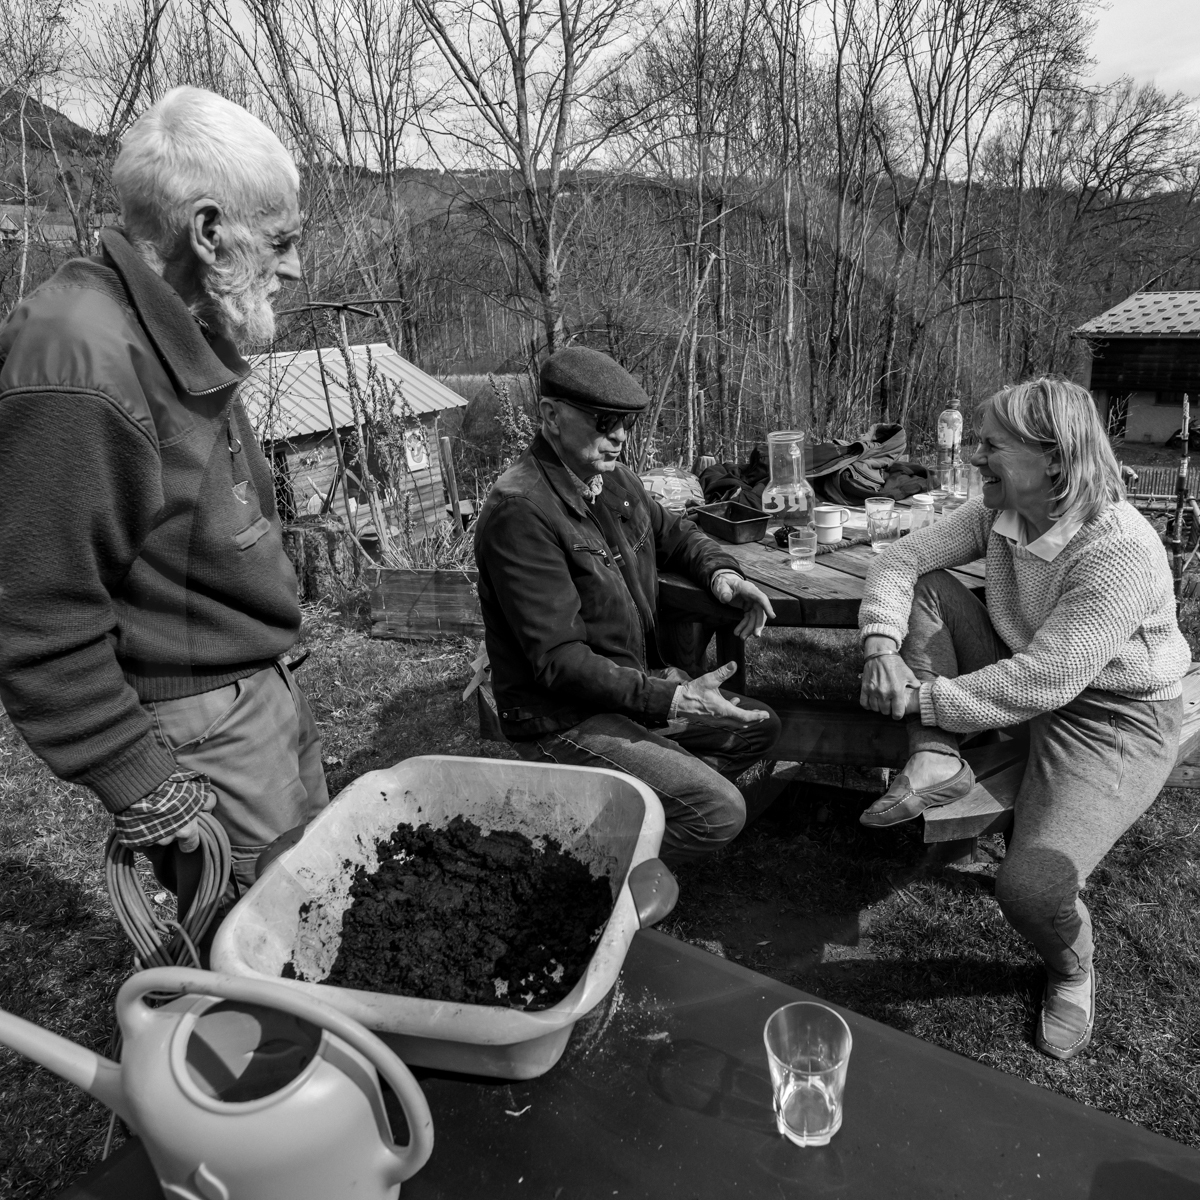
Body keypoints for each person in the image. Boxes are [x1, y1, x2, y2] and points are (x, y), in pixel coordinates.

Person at [0, 87, 327, 916]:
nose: (293, 268)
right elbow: (34, 611)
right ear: (209, 231)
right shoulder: (78, 355)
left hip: (258, 685)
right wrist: (134, 773)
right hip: (202, 720)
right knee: (266, 935)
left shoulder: (184, 318)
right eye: (281, 241)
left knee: (319, 900)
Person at [857, 377, 1190, 1061]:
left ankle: (1072, 969)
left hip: (1114, 720)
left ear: (1056, 463)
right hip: (1026, 668)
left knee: (1031, 887)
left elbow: (1047, 681)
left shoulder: (1119, 549)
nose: (974, 456)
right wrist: (880, 646)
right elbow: (901, 558)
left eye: (991, 446)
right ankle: (935, 756)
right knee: (927, 587)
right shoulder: (1000, 509)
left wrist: (920, 697)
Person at [474, 346, 783, 865]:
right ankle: (580, 876)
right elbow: (559, 662)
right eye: (605, 420)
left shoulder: (611, 478)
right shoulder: (520, 512)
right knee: (720, 811)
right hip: (563, 719)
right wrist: (670, 699)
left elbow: (677, 535)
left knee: (760, 726)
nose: (620, 435)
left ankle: (639, 810)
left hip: (627, 689)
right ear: (551, 416)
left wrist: (725, 576)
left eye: (627, 422)